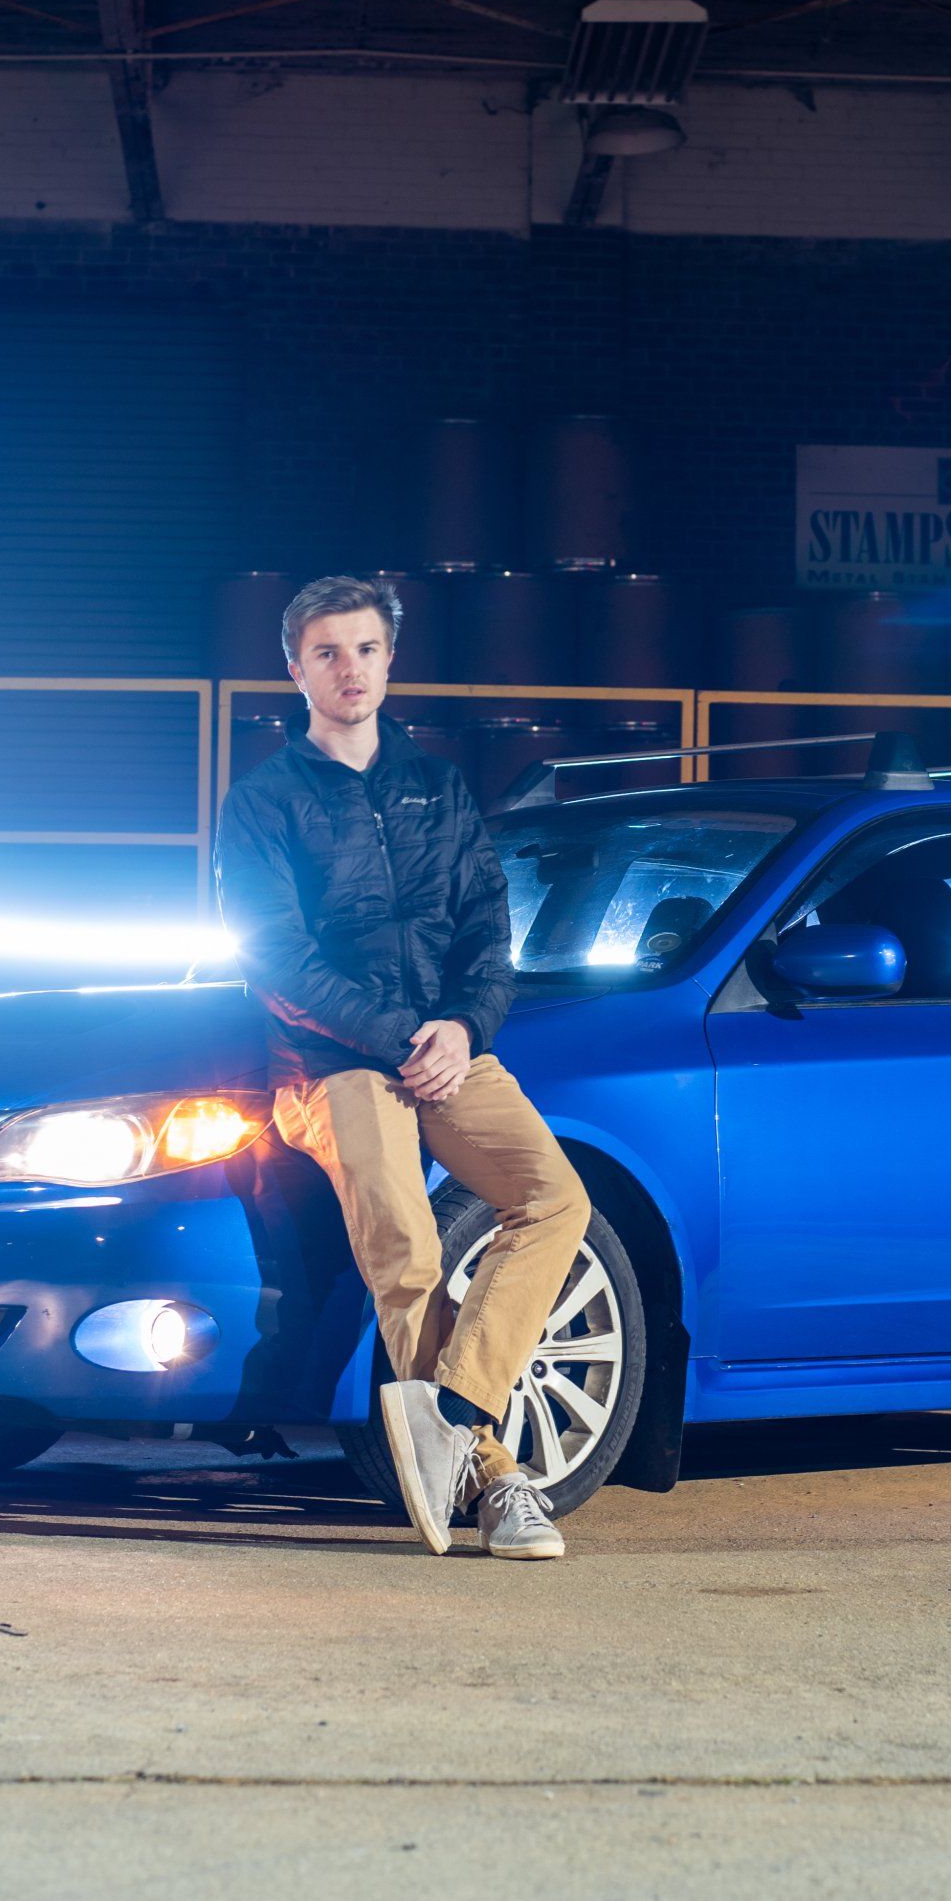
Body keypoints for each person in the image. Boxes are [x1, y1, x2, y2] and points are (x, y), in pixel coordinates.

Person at [213, 573, 590, 1559]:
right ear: (294, 668)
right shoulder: (262, 801)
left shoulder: (439, 786)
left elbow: (486, 927)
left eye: (367, 649)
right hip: (331, 1060)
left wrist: (464, 1024)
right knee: (410, 1253)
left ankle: (455, 1409)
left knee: (555, 1199)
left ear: (392, 660)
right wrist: (398, 1038)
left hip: (446, 1045)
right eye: (328, 651)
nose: (351, 669)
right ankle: (502, 1480)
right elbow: (276, 957)